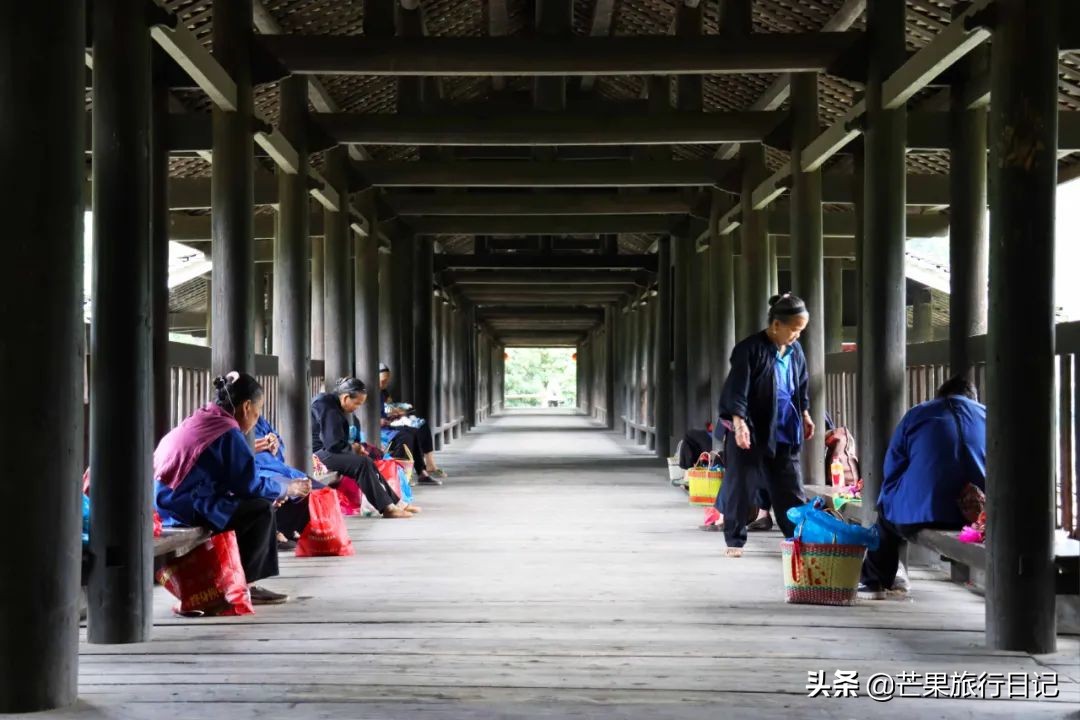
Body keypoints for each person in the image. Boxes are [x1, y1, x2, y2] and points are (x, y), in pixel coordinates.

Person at [154, 372, 311, 605]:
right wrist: (286, 489)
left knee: (253, 504)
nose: (254, 423)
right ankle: (243, 585)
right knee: (260, 510)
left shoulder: (205, 417)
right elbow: (248, 485)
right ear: (246, 407)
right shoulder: (226, 430)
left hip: (169, 498)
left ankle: (231, 578)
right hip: (183, 504)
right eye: (256, 415)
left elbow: (235, 480)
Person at [858, 376, 987, 599]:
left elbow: (893, 467)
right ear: (973, 399)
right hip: (980, 519)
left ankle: (874, 581)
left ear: (941, 395)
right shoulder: (987, 415)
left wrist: (891, 499)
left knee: (887, 516)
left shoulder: (918, 414)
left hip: (924, 515)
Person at [713, 293, 814, 557]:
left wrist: (804, 413)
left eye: (800, 330)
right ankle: (735, 541)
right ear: (777, 325)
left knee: (791, 490)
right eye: (794, 329)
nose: (797, 336)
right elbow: (737, 388)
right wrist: (739, 423)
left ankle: (797, 540)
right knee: (741, 486)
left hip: (784, 428)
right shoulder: (750, 349)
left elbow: (800, 384)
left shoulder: (795, 351)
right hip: (753, 431)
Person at [311, 377, 417, 518]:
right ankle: (387, 508)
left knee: (367, 461)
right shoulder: (326, 406)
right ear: (345, 397)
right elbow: (333, 444)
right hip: (316, 455)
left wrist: (354, 448)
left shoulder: (332, 404)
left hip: (327, 451)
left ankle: (396, 503)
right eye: (356, 404)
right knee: (362, 464)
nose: (357, 408)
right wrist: (352, 449)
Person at [252, 415, 322, 550]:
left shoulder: (258, 420)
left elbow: (278, 446)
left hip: (276, 467)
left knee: (319, 489)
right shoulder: (229, 426)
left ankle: (292, 529)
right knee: (294, 490)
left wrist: (275, 446)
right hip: (260, 471)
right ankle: (280, 530)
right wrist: (249, 448)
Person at [378, 363, 447, 484]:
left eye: (387, 381)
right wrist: (382, 420)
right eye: (383, 381)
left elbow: (387, 407)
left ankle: (423, 471)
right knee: (406, 435)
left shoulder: (383, 392)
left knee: (418, 428)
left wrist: (394, 414)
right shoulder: (368, 393)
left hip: (387, 425)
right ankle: (403, 475)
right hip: (379, 430)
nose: (385, 384)